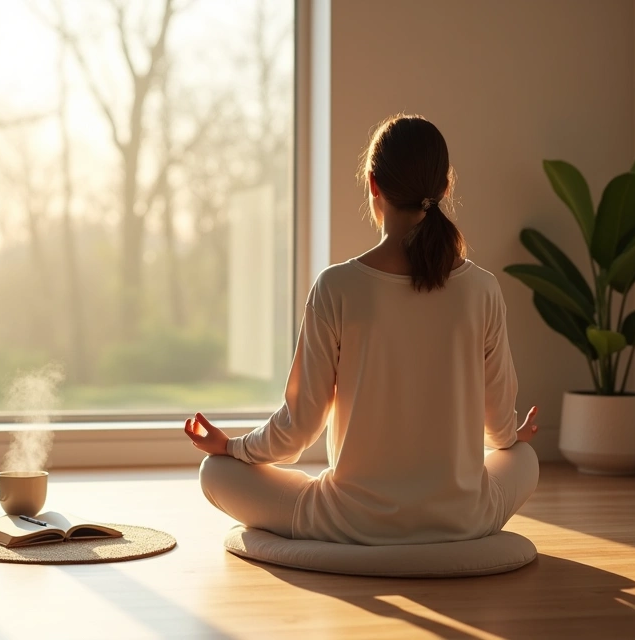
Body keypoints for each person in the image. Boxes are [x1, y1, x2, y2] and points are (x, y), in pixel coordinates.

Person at [184, 115, 539, 545]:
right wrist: (513, 435)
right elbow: (498, 430)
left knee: (215, 472)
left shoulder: (336, 286)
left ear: (373, 183)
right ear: (445, 188)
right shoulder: (483, 288)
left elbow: (296, 432)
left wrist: (232, 448)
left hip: (350, 521)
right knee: (524, 458)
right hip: (464, 517)